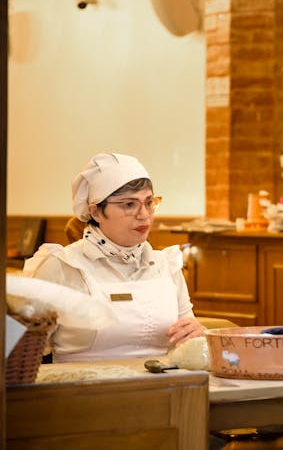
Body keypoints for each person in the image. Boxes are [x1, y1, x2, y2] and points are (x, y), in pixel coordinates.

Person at [23, 152, 206, 362]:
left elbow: (189, 342)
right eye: (129, 204)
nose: (144, 214)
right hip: (82, 391)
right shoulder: (61, 267)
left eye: (149, 202)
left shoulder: (167, 266)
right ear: (96, 212)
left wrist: (196, 335)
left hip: (161, 388)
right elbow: (20, 351)